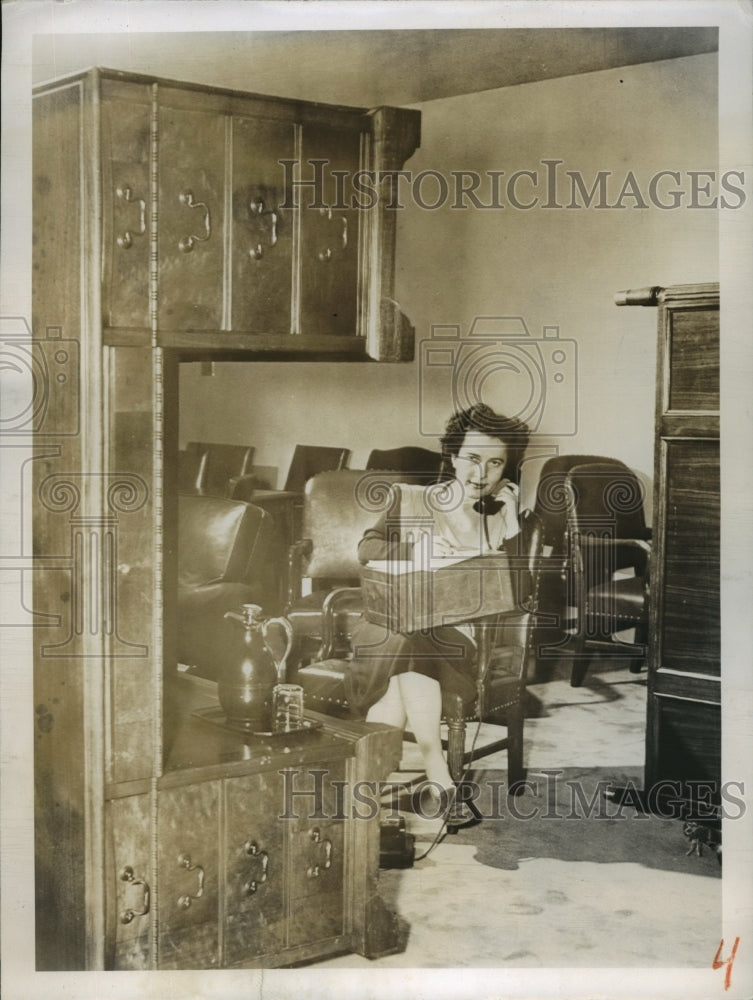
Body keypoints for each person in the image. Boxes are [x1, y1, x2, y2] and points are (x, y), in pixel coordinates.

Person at [346, 404, 530, 818]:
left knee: (411, 650)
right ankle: (438, 773)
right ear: (452, 456)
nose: (482, 473)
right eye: (472, 458)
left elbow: (524, 592)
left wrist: (513, 522)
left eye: (496, 462)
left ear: (507, 470)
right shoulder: (412, 500)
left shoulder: (503, 517)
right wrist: (418, 549)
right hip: (389, 622)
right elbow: (366, 550)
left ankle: (366, 793)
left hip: (457, 636)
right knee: (409, 636)